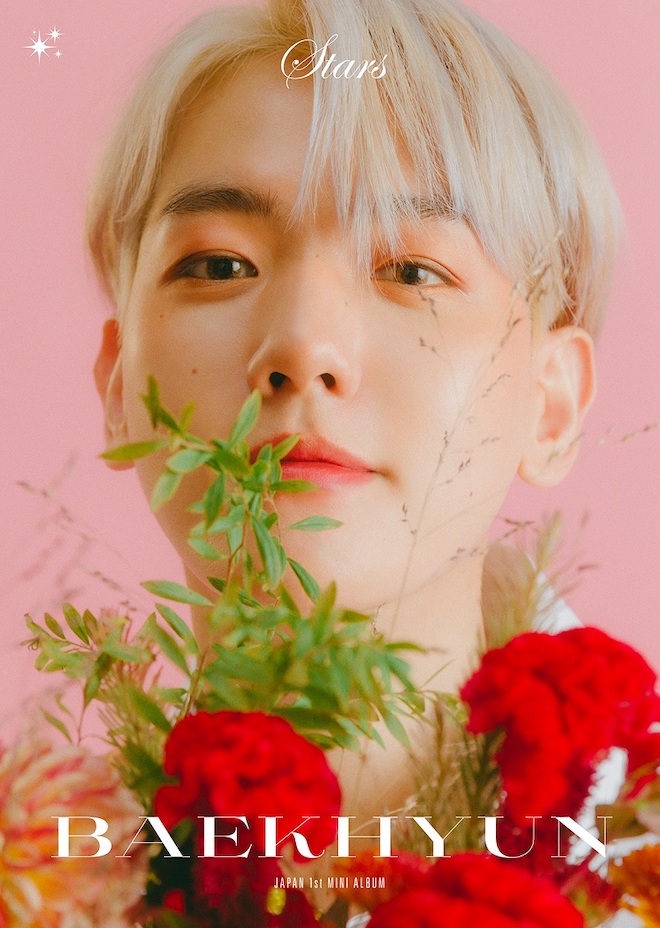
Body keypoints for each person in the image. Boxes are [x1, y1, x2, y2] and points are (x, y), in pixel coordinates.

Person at [89, 0, 620, 845]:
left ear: (551, 402)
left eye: (412, 270)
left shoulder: (635, 854)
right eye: (219, 264)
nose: (303, 346)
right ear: (118, 388)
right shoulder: (50, 871)